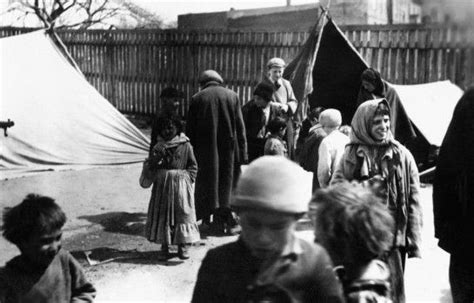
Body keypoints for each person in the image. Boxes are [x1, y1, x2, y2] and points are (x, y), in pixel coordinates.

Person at [192, 156, 345, 303]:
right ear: (239, 215)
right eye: (253, 224)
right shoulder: (218, 264)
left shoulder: (314, 263)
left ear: (295, 220)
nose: (263, 237)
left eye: (277, 226)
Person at [331, 98, 422, 303]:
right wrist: (364, 190)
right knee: (364, 293)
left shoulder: (401, 154)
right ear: (364, 124)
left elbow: (414, 197)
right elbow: (335, 193)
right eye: (377, 122)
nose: (384, 126)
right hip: (361, 240)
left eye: (386, 120)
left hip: (393, 240)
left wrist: (413, 238)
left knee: (392, 293)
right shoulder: (351, 155)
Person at [0, 194, 96, 302]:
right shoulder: (8, 279)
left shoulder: (63, 260)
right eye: (45, 241)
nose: (54, 247)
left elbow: (85, 291)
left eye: (58, 238)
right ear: (22, 242)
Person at [311, 181, 395, 303]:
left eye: (319, 239)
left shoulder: (356, 299)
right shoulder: (374, 274)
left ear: (341, 246)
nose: (314, 244)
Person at [186, 70, 247, 235]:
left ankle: (209, 220)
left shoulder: (197, 98)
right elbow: (240, 128)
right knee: (227, 183)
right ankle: (226, 220)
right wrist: (243, 154)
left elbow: (190, 130)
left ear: (203, 83)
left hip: (206, 152)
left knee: (207, 183)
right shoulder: (233, 96)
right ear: (219, 82)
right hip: (229, 150)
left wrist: (189, 155)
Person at [433, 87, 474, 303]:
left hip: (463, 233)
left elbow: (446, 171)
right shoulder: (470, 102)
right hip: (465, 230)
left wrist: (445, 228)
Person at [140, 115, 200, 260]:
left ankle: (183, 246)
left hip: (181, 187)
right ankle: (164, 246)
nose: (167, 131)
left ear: (178, 129)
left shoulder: (185, 145)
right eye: (164, 128)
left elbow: (193, 166)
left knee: (183, 215)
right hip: (162, 186)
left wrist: (187, 179)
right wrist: (155, 160)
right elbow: (151, 167)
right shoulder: (158, 146)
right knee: (163, 215)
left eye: (170, 128)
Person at [356, 68, 416, 146]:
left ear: (375, 83)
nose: (365, 87)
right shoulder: (364, 92)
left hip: (386, 132)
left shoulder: (391, 92)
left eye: (368, 85)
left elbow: (396, 114)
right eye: (364, 85)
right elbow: (360, 112)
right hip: (370, 133)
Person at [262, 57, 298, 160]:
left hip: (285, 122)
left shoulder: (286, 84)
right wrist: (273, 105)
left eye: (280, 71)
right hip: (271, 122)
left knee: (288, 149)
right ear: (269, 71)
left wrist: (287, 106)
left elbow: (294, 101)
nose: (278, 74)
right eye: (275, 72)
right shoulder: (264, 85)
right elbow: (258, 102)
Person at [242, 82, 279, 162]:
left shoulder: (275, 110)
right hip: (252, 146)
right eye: (254, 98)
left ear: (267, 99)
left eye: (259, 99)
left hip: (267, 146)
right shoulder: (248, 109)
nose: (255, 101)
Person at [317, 109, 349, 188]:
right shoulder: (347, 139)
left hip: (333, 186)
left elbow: (324, 170)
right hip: (347, 183)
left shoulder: (326, 142)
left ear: (323, 125)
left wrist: (323, 186)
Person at [150, 87, 185, 155]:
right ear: (164, 101)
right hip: (164, 152)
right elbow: (154, 139)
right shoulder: (160, 118)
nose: (178, 103)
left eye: (178, 101)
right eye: (175, 100)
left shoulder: (175, 116)